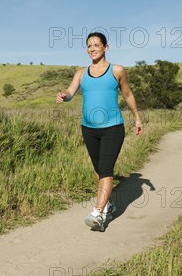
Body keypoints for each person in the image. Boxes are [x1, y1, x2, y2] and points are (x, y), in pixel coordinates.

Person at [55, 32, 144, 231]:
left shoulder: (117, 70)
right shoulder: (81, 72)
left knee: (105, 168)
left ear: (106, 47)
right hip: (88, 128)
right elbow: (71, 92)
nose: (92, 48)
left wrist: (137, 117)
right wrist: (64, 95)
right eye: (89, 45)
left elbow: (128, 94)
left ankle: (98, 212)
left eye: (96, 44)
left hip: (112, 128)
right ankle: (109, 206)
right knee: (98, 171)